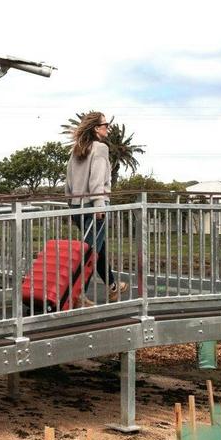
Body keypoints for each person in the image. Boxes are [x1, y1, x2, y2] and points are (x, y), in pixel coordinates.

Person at [65, 111, 129, 303]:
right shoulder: (100, 148)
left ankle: (113, 287)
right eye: (105, 124)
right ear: (96, 128)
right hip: (95, 207)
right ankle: (78, 295)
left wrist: (71, 204)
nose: (108, 127)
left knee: (97, 250)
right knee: (90, 254)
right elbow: (96, 181)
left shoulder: (77, 149)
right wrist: (100, 205)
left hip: (78, 207)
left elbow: (68, 180)